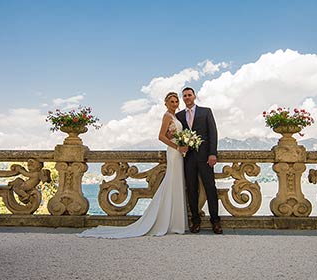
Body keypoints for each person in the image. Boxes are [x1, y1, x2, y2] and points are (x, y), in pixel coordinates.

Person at [77, 92, 188, 238]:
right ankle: (166, 221)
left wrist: (181, 141)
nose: (174, 104)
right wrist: (177, 147)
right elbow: (160, 136)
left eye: (176, 101)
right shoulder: (167, 116)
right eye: (171, 101)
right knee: (172, 182)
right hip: (174, 152)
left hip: (179, 152)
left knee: (177, 183)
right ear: (166, 104)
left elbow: (169, 134)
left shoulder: (175, 117)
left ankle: (176, 222)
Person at [175, 87, 222, 234]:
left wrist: (212, 154)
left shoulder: (206, 111)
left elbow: (213, 133)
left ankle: (215, 221)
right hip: (188, 158)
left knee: (210, 188)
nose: (187, 97)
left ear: (194, 96)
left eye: (189, 95)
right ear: (183, 99)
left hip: (205, 157)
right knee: (191, 189)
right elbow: (177, 135)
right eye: (185, 96)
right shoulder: (179, 115)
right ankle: (195, 221)